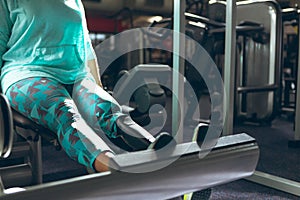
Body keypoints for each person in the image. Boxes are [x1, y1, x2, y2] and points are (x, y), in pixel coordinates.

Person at [0, 0, 173, 173]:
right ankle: (115, 169)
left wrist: (98, 89)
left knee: (108, 110)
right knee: (65, 112)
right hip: (26, 74)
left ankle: (156, 149)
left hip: (76, 75)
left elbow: (86, 47)